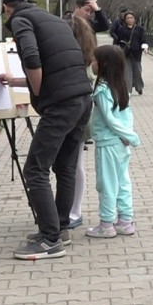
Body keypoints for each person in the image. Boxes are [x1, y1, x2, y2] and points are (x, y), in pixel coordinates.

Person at [0, 0, 92, 260]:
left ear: (7, 7)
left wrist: (36, 91)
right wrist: (18, 82)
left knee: (35, 169)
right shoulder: (52, 19)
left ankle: (50, 240)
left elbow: (31, 57)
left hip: (60, 104)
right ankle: (60, 228)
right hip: (82, 99)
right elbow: (56, 63)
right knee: (65, 167)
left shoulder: (20, 19)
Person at [86, 45, 141, 238]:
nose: (91, 63)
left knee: (106, 184)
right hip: (120, 143)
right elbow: (127, 115)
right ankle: (125, 220)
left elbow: (109, 120)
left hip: (108, 143)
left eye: (94, 60)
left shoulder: (102, 89)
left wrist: (129, 136)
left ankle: (106, 224)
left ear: (103, 65)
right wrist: (127, 135)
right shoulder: (120, 85)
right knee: (122, 181)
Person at [64, 15, 98, 231]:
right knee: (74, 164)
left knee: (75, 165)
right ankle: (70, 209)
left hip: (76, 116)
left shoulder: (81, 61)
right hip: (78, 115)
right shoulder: (85, 58)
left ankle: (74, 210)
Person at [113, 11, 147, 95]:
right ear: (125, 20)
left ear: (134, 19)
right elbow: (117, 41)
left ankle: (139, 87)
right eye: (127, 18)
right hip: (125, 53)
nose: (130, 19)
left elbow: (143, 39)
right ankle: (128, 90)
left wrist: (145, 47)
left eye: (131, 18)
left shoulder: (139, 29)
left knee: (137, 71)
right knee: (127, 72)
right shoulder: (121, 29)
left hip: (136, 53)